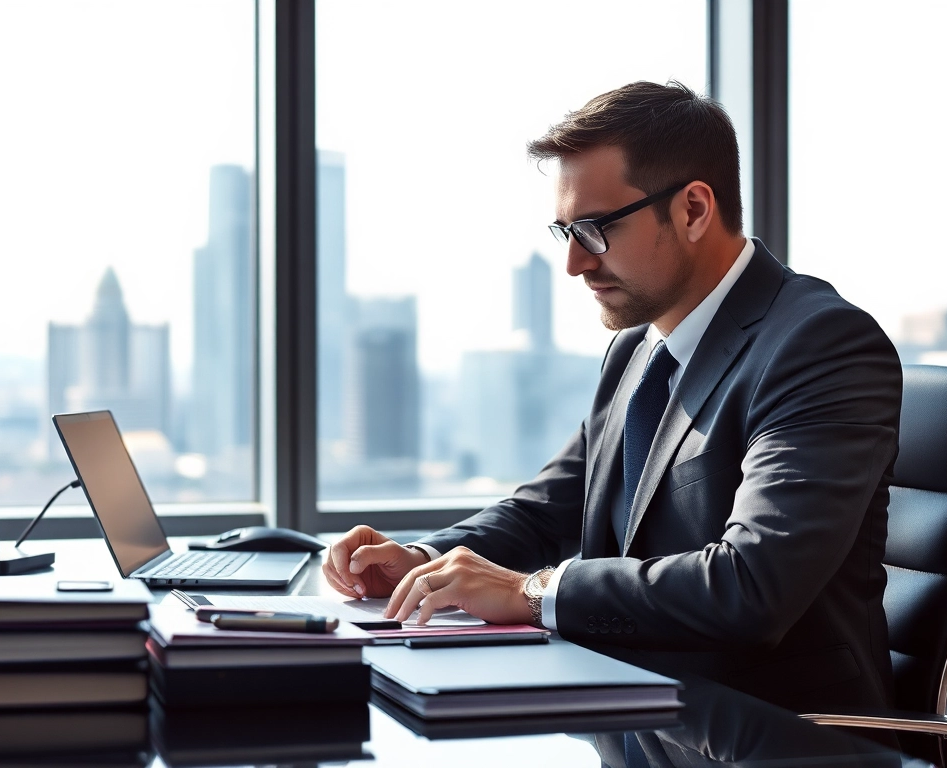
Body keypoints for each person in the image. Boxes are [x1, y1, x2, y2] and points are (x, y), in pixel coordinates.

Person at [323, 81, 901, 713]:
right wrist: (422, 559)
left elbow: (752, 586)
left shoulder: (820, 343)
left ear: (692, 210)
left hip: (772, 729)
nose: (574, 262)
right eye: (565, 230)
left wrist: (536, 593)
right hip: (630, 709)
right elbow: (550, 508)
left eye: (594, 229)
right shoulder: (637, 349)